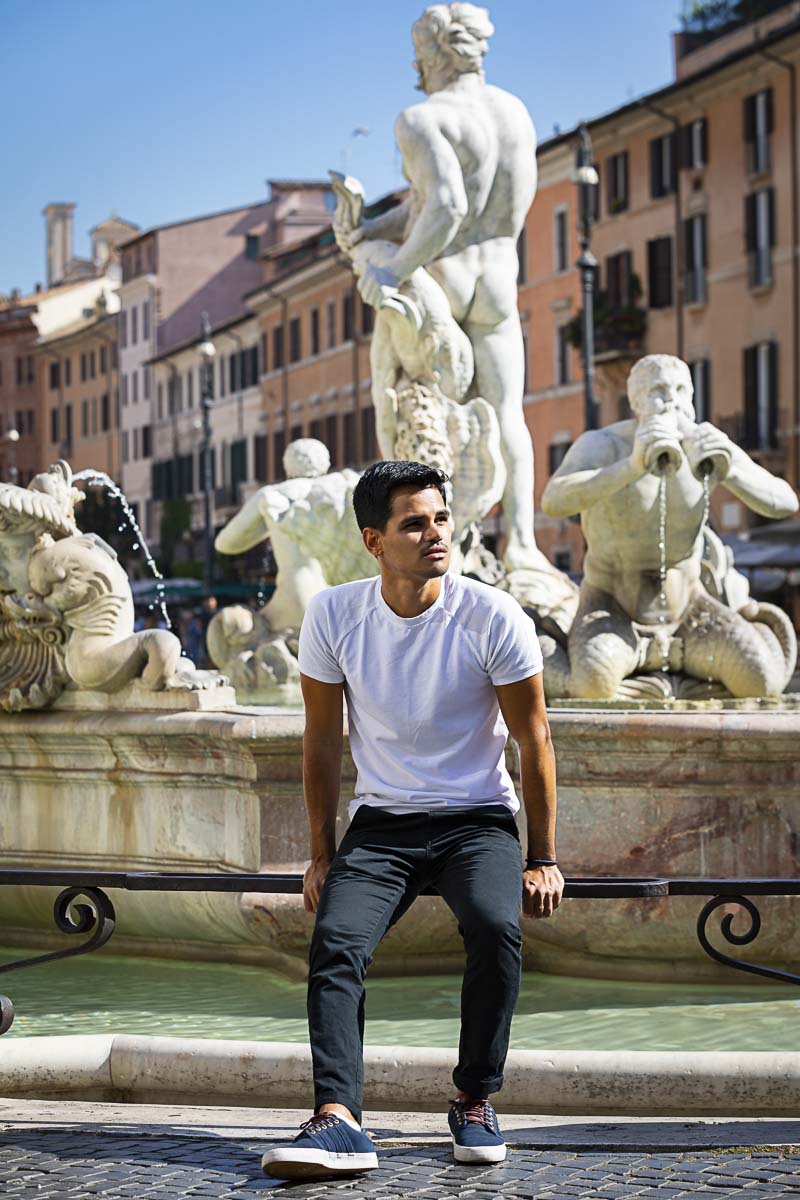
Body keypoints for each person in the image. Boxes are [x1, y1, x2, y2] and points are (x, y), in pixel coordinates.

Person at [261, 460, 563, 1181]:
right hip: (384, 823)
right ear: (374, 541)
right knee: (335, 941)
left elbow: (534, 740)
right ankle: (339, 1121)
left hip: (477, 821)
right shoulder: (334, 615)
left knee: (495, 928)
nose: (435, 534)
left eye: (440, 518)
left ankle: (475, 1098)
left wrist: (542, 854)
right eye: (414, 523)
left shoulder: (493, 616)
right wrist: (321, 852)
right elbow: (321, 743)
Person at [345, 4, 545, 576]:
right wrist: (373, 227)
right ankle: (523, 546)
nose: (415, 66)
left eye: (418, 53)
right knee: (509, 414)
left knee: (409, 411)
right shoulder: (515, 113)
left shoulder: (421, 117)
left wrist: (391, 265)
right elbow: (447, 203)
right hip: (499, 280)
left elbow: (448, 206)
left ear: (433, 52)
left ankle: (425, 544)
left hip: (444, 280)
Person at [541, 354, 799, 699]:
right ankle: (549, 647)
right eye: (659, 391)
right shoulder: (603, 445)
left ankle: (749, 631)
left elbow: (785, 503)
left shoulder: (704, 444)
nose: (672, 401)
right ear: (635, 402)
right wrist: (632, 466)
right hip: (613, 606)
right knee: (592, 685)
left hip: (689, 611)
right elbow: (554, 500)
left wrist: (732, 471)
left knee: (761, 681)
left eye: (681, 390)